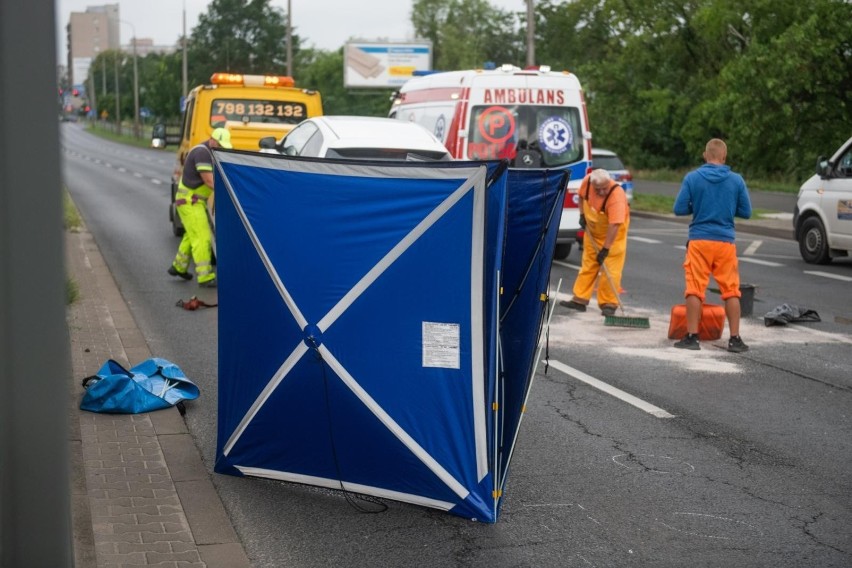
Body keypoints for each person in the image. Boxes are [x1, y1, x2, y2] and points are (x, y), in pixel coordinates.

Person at [672, 138, 752, 352]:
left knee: (695, 289)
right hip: (725, 242)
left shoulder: (693, 178)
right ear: (724, 157)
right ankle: (735, 339)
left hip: (699, 240)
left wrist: (699, 204)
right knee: (731, 290)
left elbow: (679, 209)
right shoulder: (736, 180)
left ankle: (692, 337)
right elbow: (746, 212)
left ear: (705, 155)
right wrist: (725, 206)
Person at [560, 168, 630, 316]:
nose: (602, 192)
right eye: (598, 189)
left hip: (614, 236)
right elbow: (580, 197)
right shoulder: (588, 182)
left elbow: (615, 224)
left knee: (611, 270)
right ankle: (579, 300)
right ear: (592, 184)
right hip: (593, 232)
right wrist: (582, 215)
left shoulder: (616, 196)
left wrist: (606, 248)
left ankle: (609, 304)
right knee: (588, 265)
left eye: (605, 188)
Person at [168, 127, 232, 288]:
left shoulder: (209, 152)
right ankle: (205, 277)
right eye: (219, 145)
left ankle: (178, 267)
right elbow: (209, 181)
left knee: (191, 235)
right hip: (190, 202)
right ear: (212, 140)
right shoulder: (202, 153)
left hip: (193, 201)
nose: (221, 149)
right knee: (202, 237)